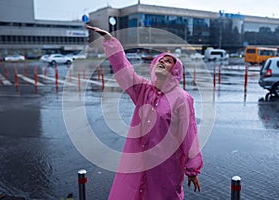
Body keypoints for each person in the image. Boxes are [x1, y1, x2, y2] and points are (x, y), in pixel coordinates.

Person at [87, 26, 203, 200]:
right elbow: (124, 70)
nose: (163, 62)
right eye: (160, 60)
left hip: (166, 167)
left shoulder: (181, 98)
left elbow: (189, 134)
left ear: (175, 70)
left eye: (169, 61)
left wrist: (192, 169)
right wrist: (111, 42)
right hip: (139, 162)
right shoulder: (143, 89)